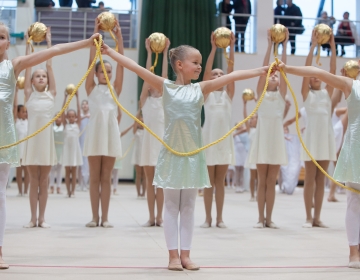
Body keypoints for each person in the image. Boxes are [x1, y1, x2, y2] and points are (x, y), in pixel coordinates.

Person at [100, 39, 270, 270]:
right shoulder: (165, 86)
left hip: (192, 155)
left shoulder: (200, 88)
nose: (200, 67)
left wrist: (263, 70)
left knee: (189, 206)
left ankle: (186, 255)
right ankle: (172, 256)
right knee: (170, 206)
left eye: (200, 63)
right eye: (195, 62)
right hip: (171, 153)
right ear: (179, 65)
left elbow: (233, 76)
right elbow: (134, 66)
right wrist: (110, 51)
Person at [0, 21, 99, 269]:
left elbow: (54, 53)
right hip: (26, 140)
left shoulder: (13, 66)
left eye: (1, 37)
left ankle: (2, 249)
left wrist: (87, 42)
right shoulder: (26, 87)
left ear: (8, 42)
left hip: (3, 139)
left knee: (1, 195)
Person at [276, 57, 360, 268]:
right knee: (354, 201)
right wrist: (288, 68)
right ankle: (353, 252)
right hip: (356, 149)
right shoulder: (351, 85)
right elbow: (319, 72)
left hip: (328, 142)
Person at [83, 18, 123, 228]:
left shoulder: (115, 89)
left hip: (110, 134)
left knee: (106, 177)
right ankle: (94, 216)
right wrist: (95, 33)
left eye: (109, 71)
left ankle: (105, 217)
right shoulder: (91, 89)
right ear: (96, 74)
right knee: (94, 177)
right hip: (95, 134)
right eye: (102, 71)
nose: (106, 74)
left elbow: (123, 63)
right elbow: (91, 62)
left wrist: (119, 38)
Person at [247, 29, 289, 229]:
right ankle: (259, 217)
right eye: (271, 76)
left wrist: (285, 44)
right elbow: (265, 69)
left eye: (276, 77)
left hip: (276, 139)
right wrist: (270, 45)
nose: (273, 77)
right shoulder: (261, 94)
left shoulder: (281, 96)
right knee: (261, 180)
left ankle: (269, 218)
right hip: (263, 137)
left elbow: (284, 70)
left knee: (272, 181)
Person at [297, 31, 337, 228]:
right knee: (310, 179)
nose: (315, 77)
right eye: (311, 76)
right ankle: (307, 216)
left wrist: (332, 45)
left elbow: (332, 69)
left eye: (317, 74)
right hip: (311, 138)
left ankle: (317, 217)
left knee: (321, 180)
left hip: (326, 139)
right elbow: (305, 70)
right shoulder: (307, 95)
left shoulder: (328, 93)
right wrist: (313, 46)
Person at [201, 31, 235, 229]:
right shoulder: (206, 95)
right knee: (208, 183)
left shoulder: (228, 96)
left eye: (221, 75)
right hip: (208, 141)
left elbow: (232, 73)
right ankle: (207, 218)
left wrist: (230, 48)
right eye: (215, 75)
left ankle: (220, 218)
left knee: (219, 182)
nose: (219, 77)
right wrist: (214, 48)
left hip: (223, 142)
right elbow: (205, 75)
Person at [139, 38, 170, 227]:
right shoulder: (145, 102)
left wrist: (165, 52)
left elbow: (164, 76)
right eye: (150, 82)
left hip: (162, 145)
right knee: (150, 182)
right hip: (148, 144)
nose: (153, 84)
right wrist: (149, 53)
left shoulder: (166, 100)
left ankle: (160, 216)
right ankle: (151, 216)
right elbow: (145, 75)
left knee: (161, 184)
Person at [61, 91, 83, 198]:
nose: (71, 118)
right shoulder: (65, 125)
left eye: (73, 116)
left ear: (75, 117)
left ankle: (73, 191)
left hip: (75, 150)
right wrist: (65, 98)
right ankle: (68, 190)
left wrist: (77, 98)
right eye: (69, 116)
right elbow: (62, 112)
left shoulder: (77, 125)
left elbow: (79, 111)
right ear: (66, 117)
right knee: (67, 171)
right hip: (67, 150)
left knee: (74, 171)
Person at [13, 88, 29, 196]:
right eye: (22, 111)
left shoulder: (29, 121)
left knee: (27, 171)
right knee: (19, 171)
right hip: (18, 149)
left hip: (27, 149)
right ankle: (20, 191)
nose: (25, 113)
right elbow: (14, 107)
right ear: (18, 113)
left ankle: (26, 190)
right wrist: (16, 92)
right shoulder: (16, 121)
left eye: (26, 111)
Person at [131, 109, 145, 198]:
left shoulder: (147, 132)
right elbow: (135, 121)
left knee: (145, 175)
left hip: (145, 154)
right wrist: (140, 109)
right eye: (139, 121)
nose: (141, 123)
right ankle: (138, 193)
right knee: (138, 174)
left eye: (142, 121)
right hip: (137, 154)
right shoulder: (136, 132)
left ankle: (144, 193)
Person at [49, 114, 64, 195]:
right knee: (52, 169)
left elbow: (63, 113)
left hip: (61, 149)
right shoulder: (52, 127)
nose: (58, 119)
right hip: (54, 149)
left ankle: (58, 187)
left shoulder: (63, 127)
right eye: (56, 117)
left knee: (59, 169)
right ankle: (51, 187)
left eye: (59, 117)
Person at [232, 124, 248, 193]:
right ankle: (237, 185)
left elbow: (246, 128)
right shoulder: (234, 133)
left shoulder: (244, 133)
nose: (240, 126)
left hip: (243, 152)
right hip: (237, 152)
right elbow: (233, 135)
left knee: (242, 170)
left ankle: (241, 186)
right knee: (237, 170)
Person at [78, 100, 90, 191]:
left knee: (87, 164)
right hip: (80, 142)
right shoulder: (80, 117)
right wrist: (85, 116)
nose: (85, 105)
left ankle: (86, 183)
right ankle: (80, 183)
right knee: (80, 163)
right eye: (83, 104)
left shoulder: (91, 117)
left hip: (88, 142)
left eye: (86, 104)